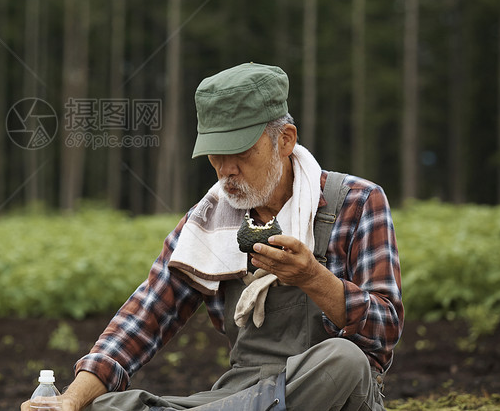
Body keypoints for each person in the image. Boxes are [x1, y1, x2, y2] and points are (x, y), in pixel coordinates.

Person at [22, 62, 403, 411]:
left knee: (344, 360)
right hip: (239, 396)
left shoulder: (356, 202)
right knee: (96, 407)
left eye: (240, 152)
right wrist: (71, 399)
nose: (226, 171)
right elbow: (147, 314)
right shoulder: (207, 221)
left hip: (326, 394)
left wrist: (313, 278)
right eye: (215, 155)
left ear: (285, 140)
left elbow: (383, 331)